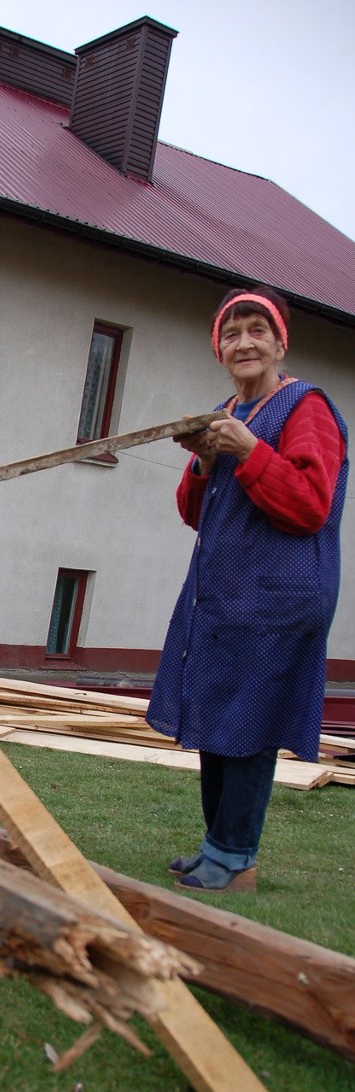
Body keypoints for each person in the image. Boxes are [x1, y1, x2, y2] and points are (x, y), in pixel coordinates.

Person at [146, 285, 349, 891]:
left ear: (281, 341)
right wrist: (206, 460)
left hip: (280, 595)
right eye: (231, 334)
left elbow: (312, 505)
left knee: (250, 722)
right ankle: (217, 845)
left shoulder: (305, 407)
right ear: (219, 351)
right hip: (227, 590)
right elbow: (193, 511)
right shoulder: (229, 413)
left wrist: (250, 450)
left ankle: (236, 860)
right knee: (216, 714)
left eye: (257, 330)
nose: (244, 342)